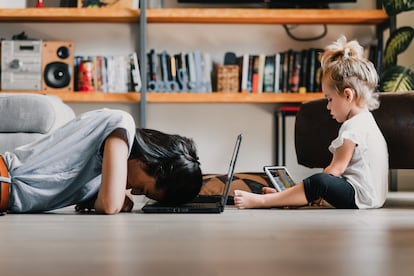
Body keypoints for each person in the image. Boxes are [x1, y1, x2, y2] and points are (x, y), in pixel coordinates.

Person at [234, 36, 388, 210]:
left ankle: (263, 201)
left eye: (329, 99)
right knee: (318, 184)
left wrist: (316, 187)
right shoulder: (367, 121)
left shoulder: (352, 128)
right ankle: (288, 196)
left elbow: (336, 170)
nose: (328, 106)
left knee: (320, 181)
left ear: (348, 95)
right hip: (372, 197)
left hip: (360, 197)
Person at [1, 109, 202, 214]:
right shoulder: (121, 124)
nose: (135, 192)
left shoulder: (101, 172)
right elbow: (109, 205)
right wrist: (110, 198)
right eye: (144, 189)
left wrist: (92, 196)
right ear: (149, 163)